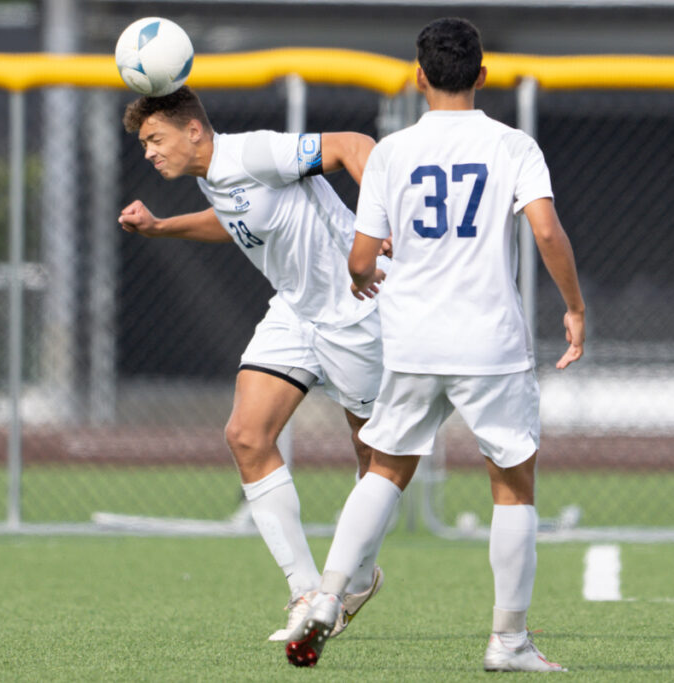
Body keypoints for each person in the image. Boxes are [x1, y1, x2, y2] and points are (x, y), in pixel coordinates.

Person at [285, 18, 585, 672]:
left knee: (384, 469)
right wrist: (574, 306)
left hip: (414, 342)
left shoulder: (392, 152)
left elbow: (362, 256)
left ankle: (326, 596)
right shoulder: (513, 145)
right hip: (490, 345)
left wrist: (362, 276)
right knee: (512, 484)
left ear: (418, 76)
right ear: (482, 74)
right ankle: (507, 639)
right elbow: (547, 232)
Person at [119, 87, 387, 642]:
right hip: (295, 311)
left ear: (193, 130)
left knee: (374, 456)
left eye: (154, 139)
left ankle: (359, 576)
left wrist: (381, 227)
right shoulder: (210, 175)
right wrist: (163, 227)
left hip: (354, 310)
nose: (148, 152)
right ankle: (308, 592)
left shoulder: (255, 152)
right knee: (245, 435)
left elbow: (354, 146)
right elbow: (233, 218)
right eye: (144, 143)